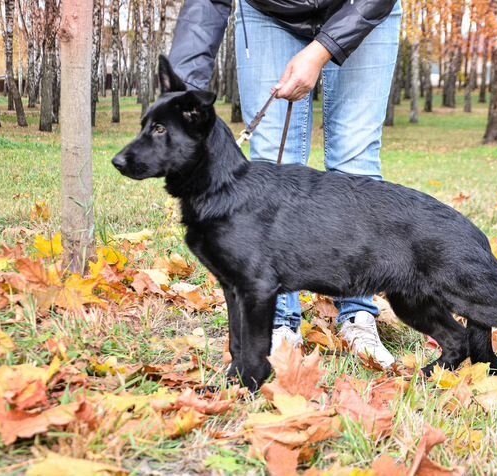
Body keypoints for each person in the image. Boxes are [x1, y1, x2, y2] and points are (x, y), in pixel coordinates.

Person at [169, 0, 401, 367]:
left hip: (361, 7)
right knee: (271, 163)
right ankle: (277, 319)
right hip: (269, 12)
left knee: (355, 161)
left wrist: (322, 50)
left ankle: (357, 313)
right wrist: (183, 94)